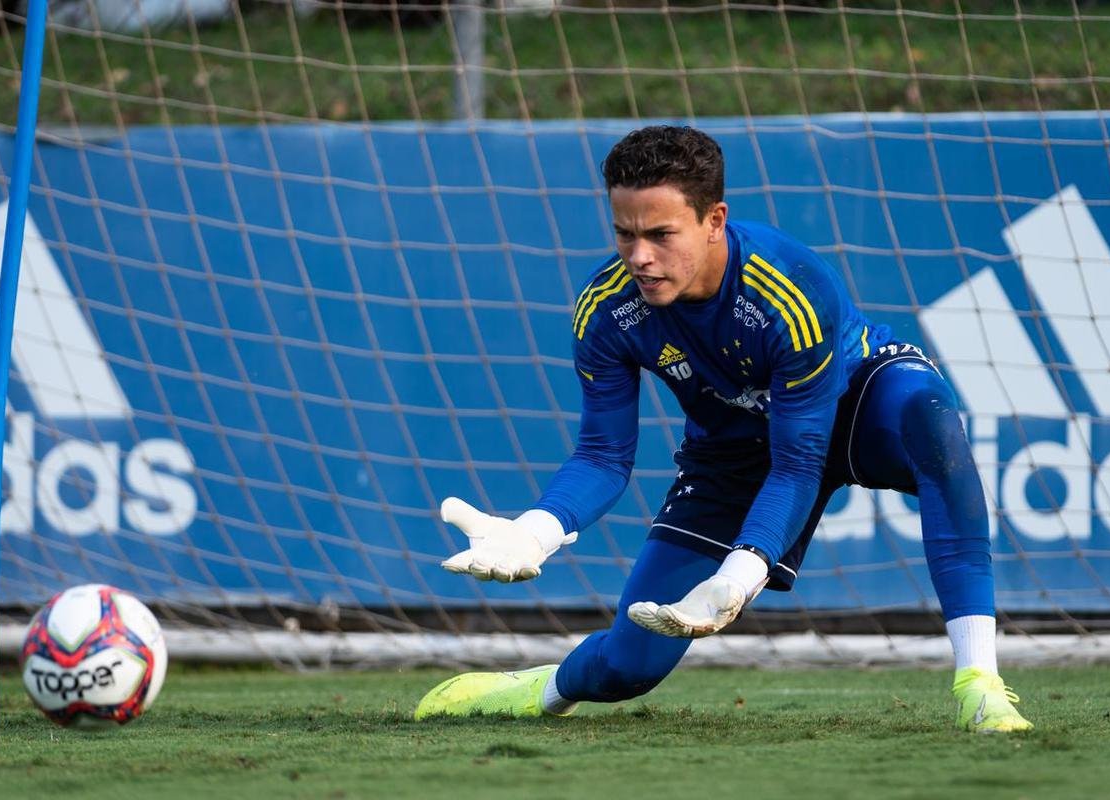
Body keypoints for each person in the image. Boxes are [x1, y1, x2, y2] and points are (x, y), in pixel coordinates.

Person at [414, 125, 1031, 733]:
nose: (639, 257)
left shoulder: (787, 290)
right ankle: (535, 690)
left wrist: (738, 575)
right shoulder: (606, 308)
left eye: (661, 235)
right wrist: (537, 531)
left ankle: (978, 684)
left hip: (853, 405)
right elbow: (603, 455)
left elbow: (799, 463)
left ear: (714, 221)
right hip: (734, 445)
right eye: (625, 233)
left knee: (931, 422)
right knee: (629, 666)